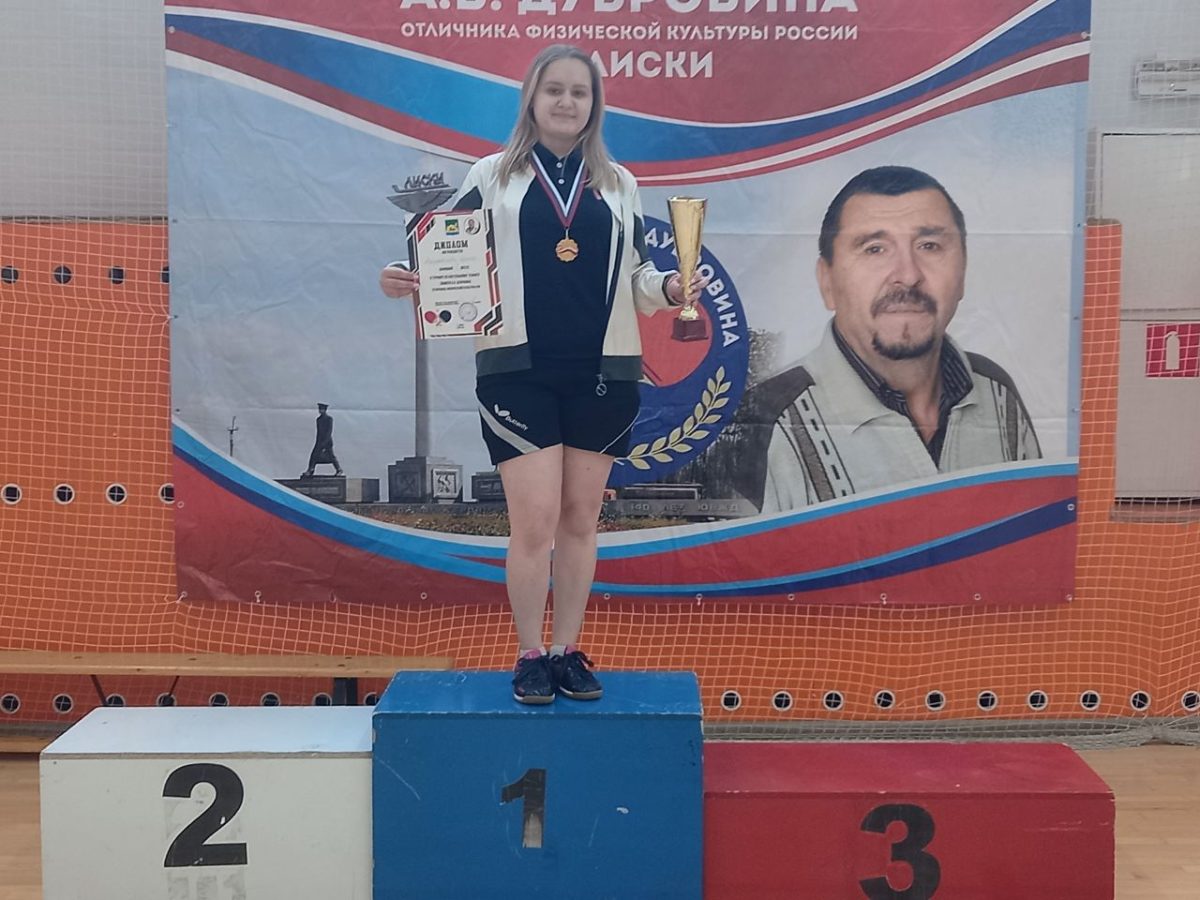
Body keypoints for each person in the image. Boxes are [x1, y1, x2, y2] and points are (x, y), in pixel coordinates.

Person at [379, 45, 703, 704]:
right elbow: (443, 251)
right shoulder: (491, 175)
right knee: (533, 522)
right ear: (531, 97)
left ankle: (567, 650)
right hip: (517, 372)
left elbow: (638, 277)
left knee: (580, 521)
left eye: (579, 92)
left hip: (603, 375)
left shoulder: (619, 183)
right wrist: (403, 277)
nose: (566, 102)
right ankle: (530, 653)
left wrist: (671, 288)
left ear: (594, 105)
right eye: (554, 89)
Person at [735, 165, 1040, 512]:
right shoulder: (759, 424)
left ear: (963, 271)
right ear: (827, 282)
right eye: (874, 249)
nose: (908, 276)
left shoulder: (998, 393)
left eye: (929, 245)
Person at [303, 403, 343, 477]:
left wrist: (324, 443)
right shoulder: (318, 420)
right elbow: (318, 432)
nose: (320, 411)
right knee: (313, 455)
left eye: (322, 409)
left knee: (331, 456)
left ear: (325, 410)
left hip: (327, 442)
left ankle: (339, 469)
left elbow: (329, 432)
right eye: (320, 409)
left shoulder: (329, 419)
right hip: (319, 441)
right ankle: (311, 469)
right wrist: (317, 442)